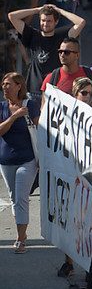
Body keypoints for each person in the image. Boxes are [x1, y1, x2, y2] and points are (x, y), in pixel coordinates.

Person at [7, 4, 87, 98]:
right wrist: (37, 10)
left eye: (49, 21)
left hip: (55, 91)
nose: (45, 24)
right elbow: (12, 16)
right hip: (33, 91)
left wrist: (59, 10)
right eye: (43, 20)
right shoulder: (32, 35)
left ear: (56, 22)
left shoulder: (62, 38)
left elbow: (81, 22)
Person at [0, 73, 39, 255]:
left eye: (9, 84)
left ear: (19, 86)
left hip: (27, 159)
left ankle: (21, 239)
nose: (5, 87)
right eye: (4, 84)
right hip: (6, 160)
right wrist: (15, 117)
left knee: (21, 198)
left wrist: (41, 159)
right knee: (15, 198)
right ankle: (20, 233)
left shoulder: (30, 106)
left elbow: (40, 131)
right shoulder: (2, 107)